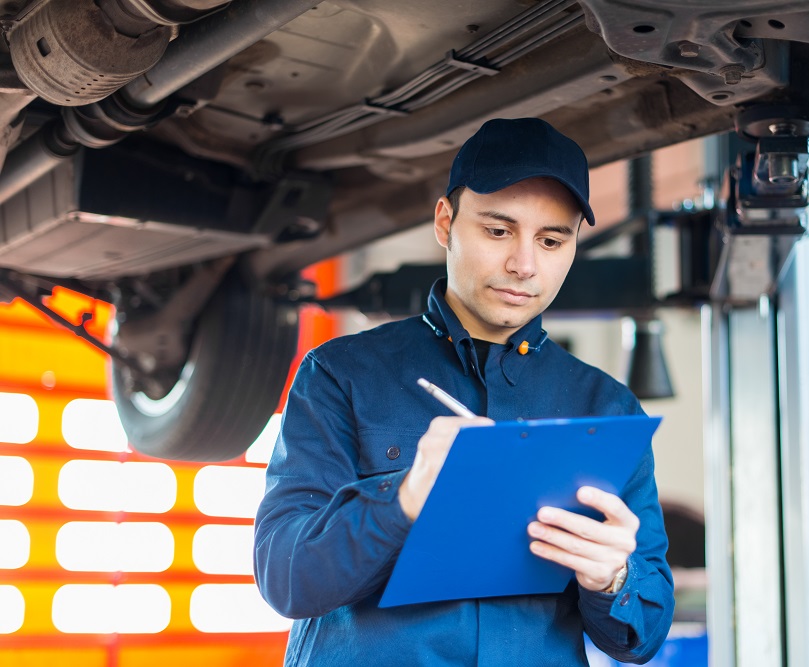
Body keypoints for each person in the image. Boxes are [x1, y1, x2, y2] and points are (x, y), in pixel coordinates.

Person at [254, 117, 675, 666]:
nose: (524, 265)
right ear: (445, 222)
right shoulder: (340, 374)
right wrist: (405, 497)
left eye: (551, 240)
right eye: (498, 231)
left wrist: (612, 576)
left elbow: (641, 637)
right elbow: (287, 580)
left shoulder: (607, 408)